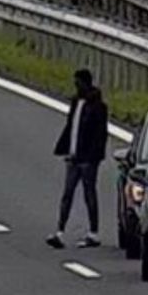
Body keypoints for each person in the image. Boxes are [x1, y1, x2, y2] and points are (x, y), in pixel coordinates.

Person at [47, 69, 110, 249]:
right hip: (74, 157)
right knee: (67, 194)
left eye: (78, 83)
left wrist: (93, 157)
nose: (76, 86)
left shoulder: (98, 107)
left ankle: (93, 232)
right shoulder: (76, 103)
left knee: (89, 194)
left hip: (88, 159)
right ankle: (59, 231)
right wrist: (66, 149)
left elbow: (100, 135)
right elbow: (71, 128)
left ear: (85, 83)